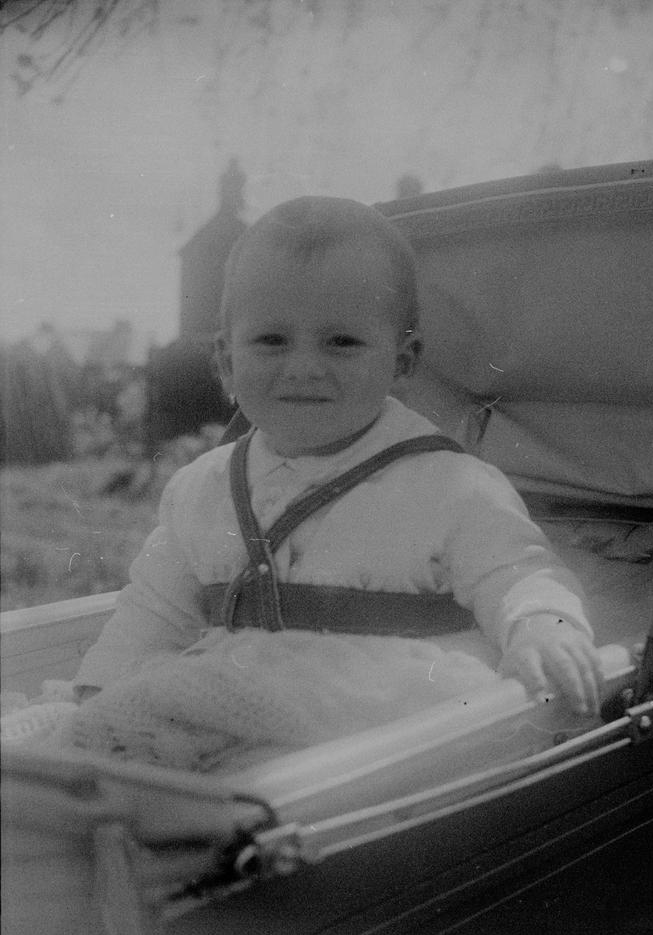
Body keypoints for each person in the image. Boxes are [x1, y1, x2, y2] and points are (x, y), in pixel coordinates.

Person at [68, 196, 603, 769]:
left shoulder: (452, 485)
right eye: (272, 340)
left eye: (341, 342)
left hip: (387, 727)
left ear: (403, 361)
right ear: (225, 359)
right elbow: (154, 612)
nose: (303, 367)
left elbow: (516, 572)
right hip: (230, 706)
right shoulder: (200, 488)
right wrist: (100, 691)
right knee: (104, 737)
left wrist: (541, 626)